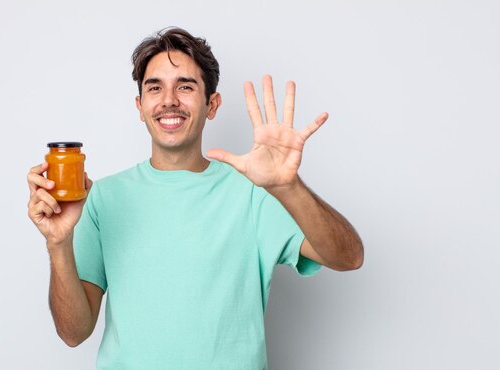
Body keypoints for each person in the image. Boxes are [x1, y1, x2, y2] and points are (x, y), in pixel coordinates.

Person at [27, 27, 363, 369]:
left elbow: (348, 257)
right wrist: (58, 244)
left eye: (185, 86)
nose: (169, 99)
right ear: (140, 106)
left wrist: (288, 186)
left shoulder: (254, 192)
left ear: (212, 104)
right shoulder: (102, 198)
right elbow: (74, 333)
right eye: (154, 87)